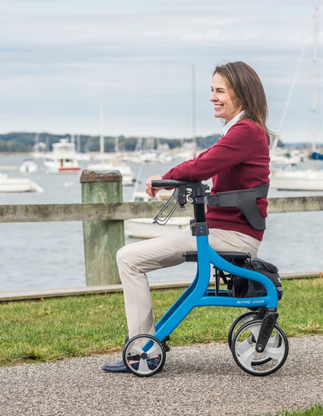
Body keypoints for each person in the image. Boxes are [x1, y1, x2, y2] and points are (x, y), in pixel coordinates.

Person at [102, 61, 271, 373]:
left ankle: (143, 349)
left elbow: (199, 167)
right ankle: (147, 342)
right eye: (212, 90)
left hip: (231, 235)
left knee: (128, 258)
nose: (212, 97)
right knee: (131, 258)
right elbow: (204, 161)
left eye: (220, 91)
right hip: (226, 231)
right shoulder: (242, 131)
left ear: (241, 94)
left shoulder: (245, 132)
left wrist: (162, 179)